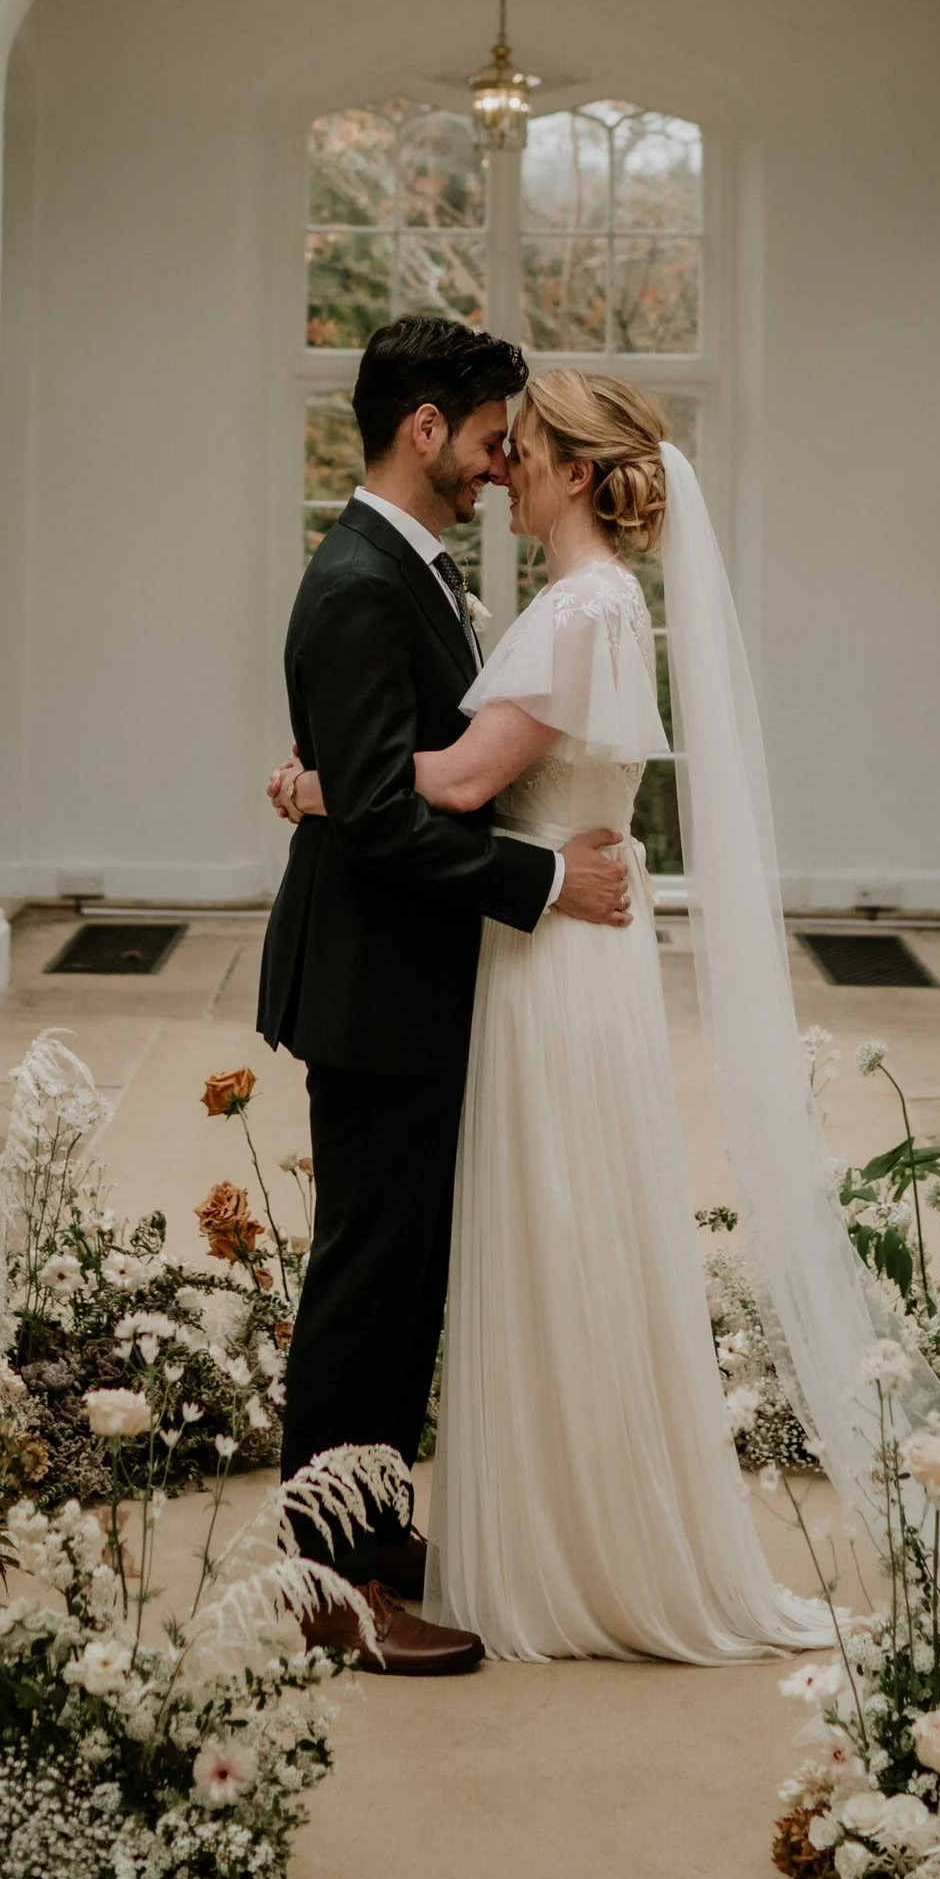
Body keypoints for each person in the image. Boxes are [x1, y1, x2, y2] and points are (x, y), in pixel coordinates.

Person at [272, 367, 855, 1665]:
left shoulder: (581, 608)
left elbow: (470, 775)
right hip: (555, 944)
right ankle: (519, 1519)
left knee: (554, 1225)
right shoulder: (595, 603)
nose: (503, 466)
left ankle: (563, 1537)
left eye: (524, 448)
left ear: (577, 472)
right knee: (550, 1231)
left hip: (548, 959)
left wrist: (328, 786)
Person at [257, 315, 635, 1676]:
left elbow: (374, 775)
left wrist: (330, 783)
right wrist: (544, 881)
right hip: (375, 986)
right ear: (425, 427)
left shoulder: (404, 568)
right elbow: (380, 819)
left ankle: (366, 1523)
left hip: (415, 983)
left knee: (405, 1281)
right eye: (485, 439)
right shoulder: (360, 579)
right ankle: (321, 1582)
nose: (495, 465)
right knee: (364, 1283)